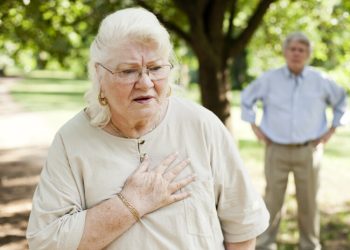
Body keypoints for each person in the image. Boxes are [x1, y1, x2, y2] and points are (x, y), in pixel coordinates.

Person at [26, 7, 269, 250]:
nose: (145, 82)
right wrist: (129, 204)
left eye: (155, 68)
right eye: (128, 71)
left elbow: (243, 225)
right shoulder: (72, 140)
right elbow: (47, 241)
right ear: (99, 75)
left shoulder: (202, 125)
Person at [241, 32, 347, 250]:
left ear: (308, 54)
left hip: (309, 151)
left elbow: (342, 101)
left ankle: (310, 245)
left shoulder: (321, 80)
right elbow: (246, 98)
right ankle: (265, 244)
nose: (296, 53)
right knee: (271, 201)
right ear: (285, 52)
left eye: (301, 50)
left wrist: (332, 130)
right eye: (293, 49)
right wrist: (254, 127)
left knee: (309, 203)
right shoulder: (269, 79)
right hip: (275, 150)